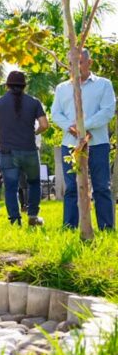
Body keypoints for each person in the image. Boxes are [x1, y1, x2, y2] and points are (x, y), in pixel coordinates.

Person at [52, 48, 116, 232]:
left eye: (79, 62)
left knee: (101, 186)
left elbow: (107, 112)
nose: (76, 67)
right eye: (71, 63)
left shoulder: (104, 84)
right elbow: (56, 113)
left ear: (90, 63)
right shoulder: (62, 88)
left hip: (97, 143)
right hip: (70, 144)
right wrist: (70, 127)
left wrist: (83, 126)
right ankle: (69, 228)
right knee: (72, 188)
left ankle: (106, 228)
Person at [0, 70, 50, 226]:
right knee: (34, 183)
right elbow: (44, 125)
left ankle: (15, 220)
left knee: (11, 187)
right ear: (24, 86)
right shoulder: (34, 102)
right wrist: (34, 133)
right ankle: (33, 216)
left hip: (7, 151)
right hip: (29, 149)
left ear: (7, 85)